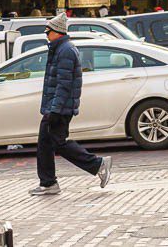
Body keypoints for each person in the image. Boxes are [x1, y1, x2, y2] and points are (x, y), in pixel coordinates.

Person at [30, 14, 112, 195]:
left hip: (59, 108)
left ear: (57, 32)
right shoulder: (60, 49)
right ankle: (48, 182)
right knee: (45, 143)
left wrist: (55, 109)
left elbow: (64, 84)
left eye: (48, 31)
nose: (46, 35)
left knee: (57, 143)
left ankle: (97, 164)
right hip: (57, 106)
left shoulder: (65, 50)